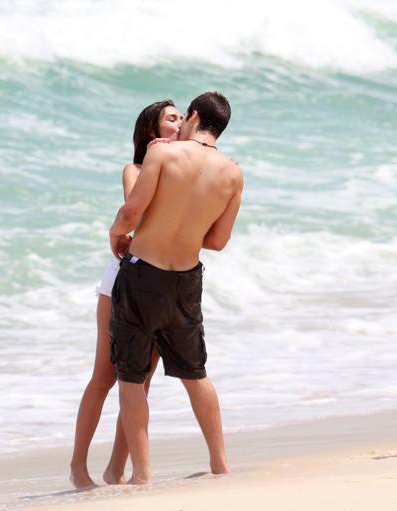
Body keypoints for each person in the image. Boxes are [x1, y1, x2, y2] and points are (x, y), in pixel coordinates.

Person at [108, 91, 243, 484]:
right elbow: (218, 241)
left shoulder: (163, 155)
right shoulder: (234, 173)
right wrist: (185, 230)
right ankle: (220, 463)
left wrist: (116, 233)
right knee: (195, 373)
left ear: (195, 116)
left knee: (132, 376)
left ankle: (143, 475)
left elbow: (132, 211)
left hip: (144, 274)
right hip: (187, 278)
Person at [70, 100, 183, 489]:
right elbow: (138, 211)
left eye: (182, 116)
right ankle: (77, 466)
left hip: (158, 279)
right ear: (152, 134)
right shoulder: (135, 168)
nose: (181, 122)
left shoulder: (183, 173)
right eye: (172, 118)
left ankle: (116, 468)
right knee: (105, 375)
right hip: (123, 277)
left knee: (140, 381)